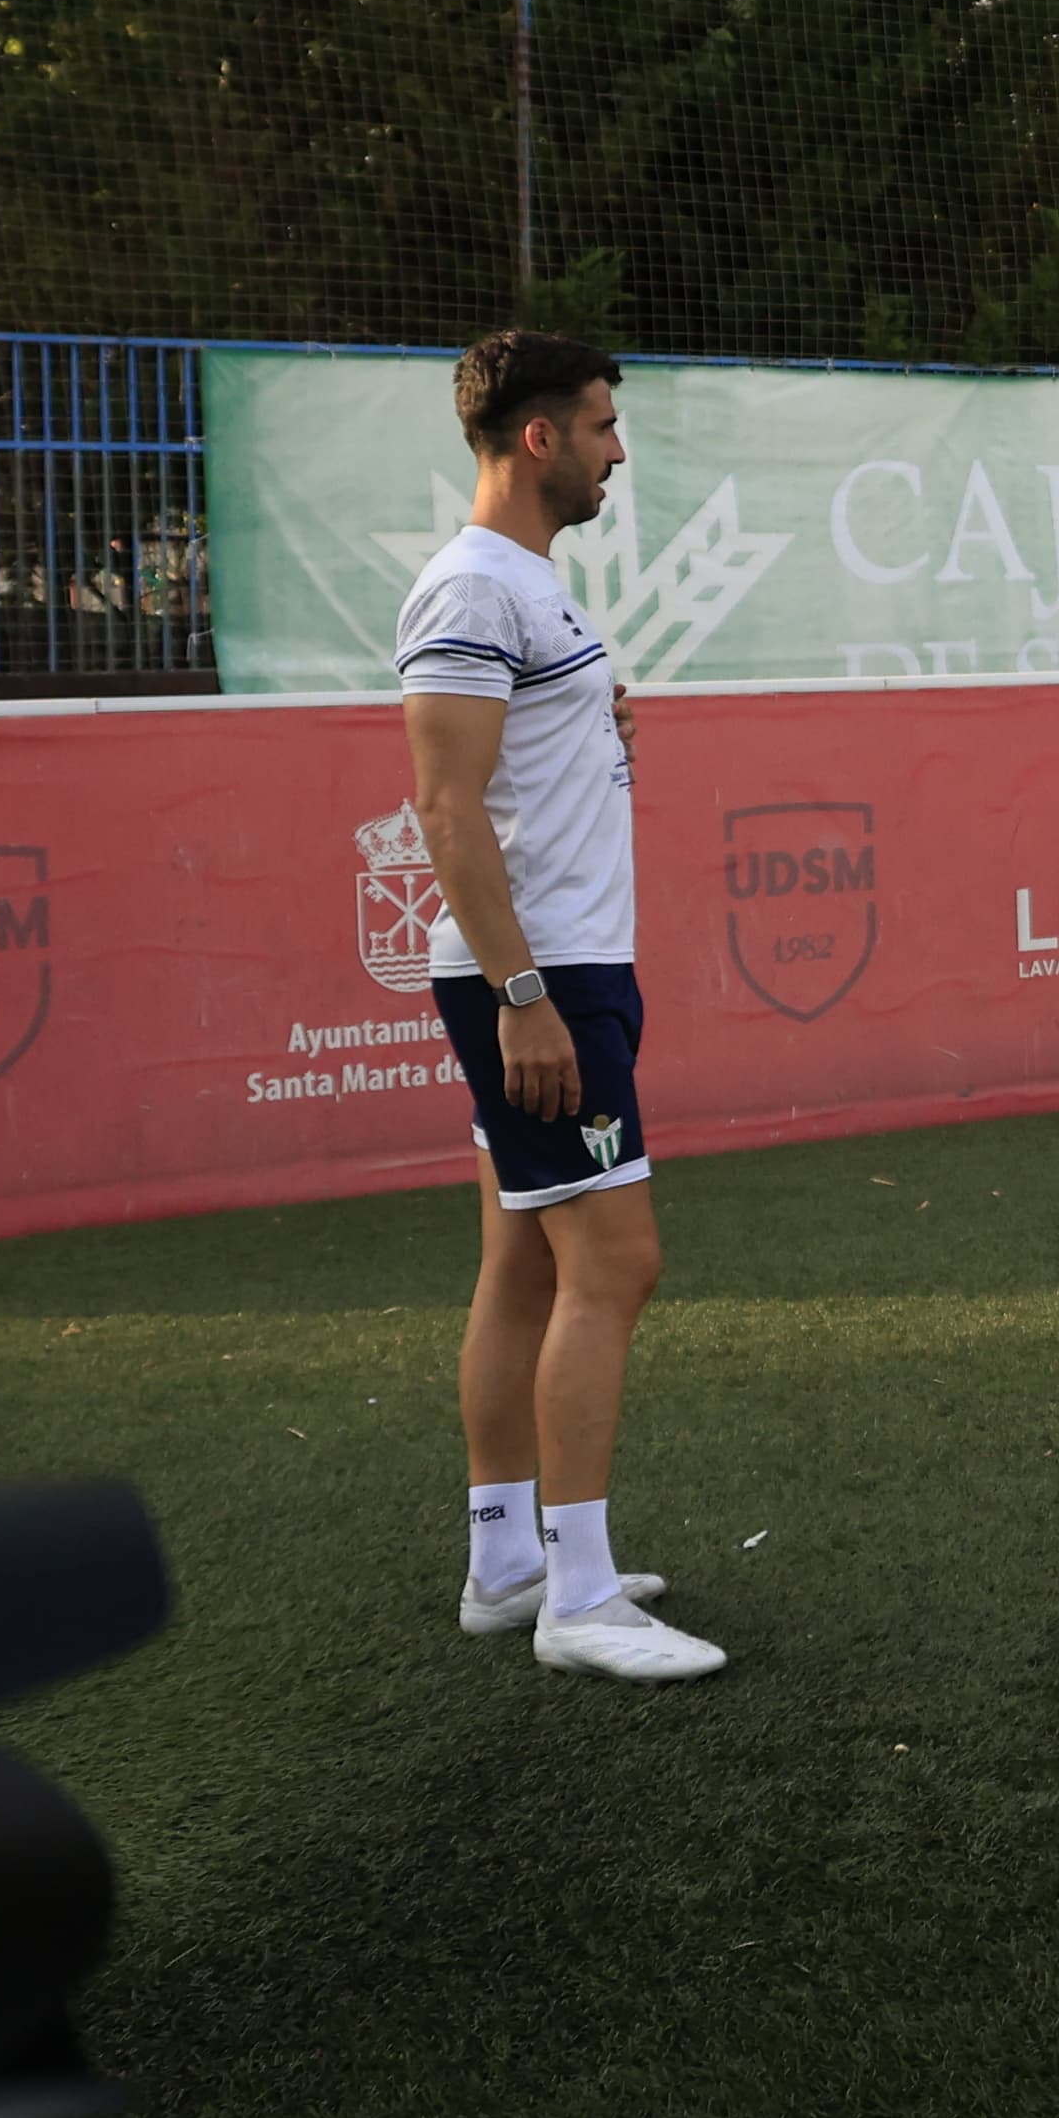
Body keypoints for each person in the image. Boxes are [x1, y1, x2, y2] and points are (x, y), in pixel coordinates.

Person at [400, 329, 724, 1685]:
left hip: (563, 964)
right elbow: (444, 805)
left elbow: (510, 769)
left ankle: (506, 1566)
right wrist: (524, 995)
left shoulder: (526, 587)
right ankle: (579, 1598)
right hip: (542, 977)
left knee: (527, 1266)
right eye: (599, 426)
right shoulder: (474, 585)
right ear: (538, 438)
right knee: (616, 1264)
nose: (616, 451)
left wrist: (598, 731)